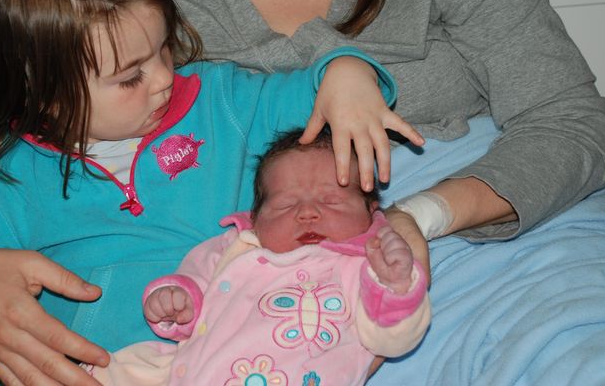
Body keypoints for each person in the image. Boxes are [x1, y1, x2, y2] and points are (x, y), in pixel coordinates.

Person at [0, 0, 605, 384]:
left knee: (581, 357)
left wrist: (417, 215)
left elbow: (571, 124)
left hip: (466, 221)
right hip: (243, 288)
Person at [0, 0, 419, 385]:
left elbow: (323, 94)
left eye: (163, 47)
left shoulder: (224, 103)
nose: (164, 79)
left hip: (246, 360)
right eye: (130, 77)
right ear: (43, 94)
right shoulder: (10, 181)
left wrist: (349, 72)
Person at [82, 128, 430, 385]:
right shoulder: (239, 245)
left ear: (371, 211)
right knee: (120, 368)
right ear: (255, 217)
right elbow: (194, 277)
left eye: (332, 201)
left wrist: (396, 286)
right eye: (285, 205)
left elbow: (392, 340)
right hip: (190, 370)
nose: (307, 213)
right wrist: (178, 298)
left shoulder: (367, 265)